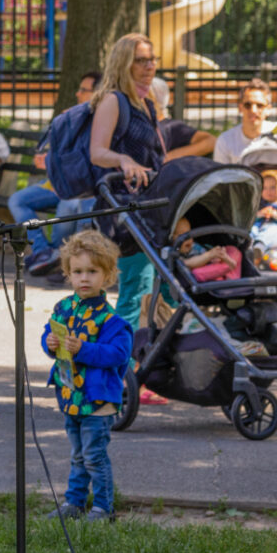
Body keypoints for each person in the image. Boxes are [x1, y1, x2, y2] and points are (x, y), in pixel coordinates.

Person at [39, 230, 131, 522]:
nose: (84, 278)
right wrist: (50, 344)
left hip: (98, 399)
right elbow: (49, 334)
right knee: (78, 455)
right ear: (68, 274)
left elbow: (118, 355)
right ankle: (74, 503)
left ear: (107, 275)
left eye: (92, 271)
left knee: (94, 456)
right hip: (70, 395)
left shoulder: (112, 320)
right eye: (77, 271)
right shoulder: (63, 308)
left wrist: (84, 349)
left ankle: (104, 508)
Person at [88, 34, 168, 335]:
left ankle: (144, 358)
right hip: (123, 210)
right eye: (141, 60)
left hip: (148, 207)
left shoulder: (146, 102)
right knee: (136, 288)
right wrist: (123, 160)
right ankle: (121, 364)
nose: (150, 66)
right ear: (124, 63)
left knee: (163, 287)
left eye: (152, 59)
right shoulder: (113, 100)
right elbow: (97, 152)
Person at [11, 71, 101, 277]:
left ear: (97, 94)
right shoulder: (69, 117)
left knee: (71, 205)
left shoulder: (101, 122)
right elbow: (49, 148)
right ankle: (44, 252)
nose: (78, 94)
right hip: (57, 184)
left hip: (82, 187)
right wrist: (44, 158)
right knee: (18, 200)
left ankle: (68, 263)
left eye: (83, 90)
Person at [175, 216, 243, 282]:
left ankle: (228, 272)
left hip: (218, 266)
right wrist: (209, 255)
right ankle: (227, 271)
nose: (188, 239)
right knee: (196, 273)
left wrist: (219, 255)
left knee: (232, 249)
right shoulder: (175, 254)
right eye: (181, 235)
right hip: (206, 274)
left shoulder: (195, 246)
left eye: (189, 234)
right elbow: (188, 263)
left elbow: (210, 252)